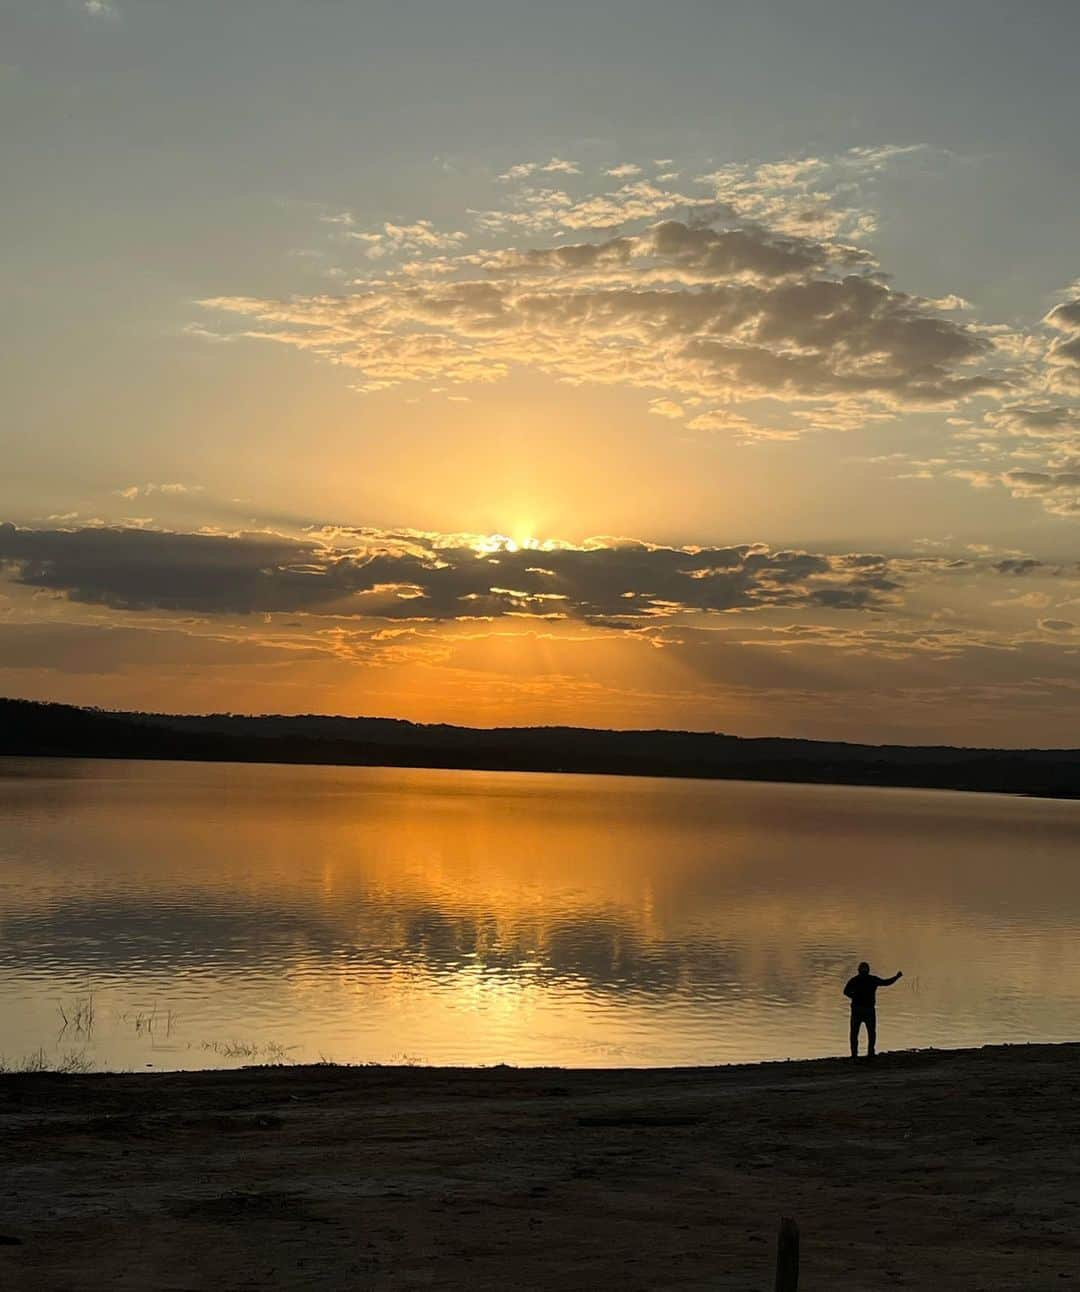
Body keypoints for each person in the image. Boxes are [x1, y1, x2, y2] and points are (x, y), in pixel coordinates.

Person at [843, 961, 902, 1060]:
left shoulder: (856, 980)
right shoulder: (870, 979)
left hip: (860, 1010)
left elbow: (845, 992)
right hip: (866, 1010)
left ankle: (856, 1054)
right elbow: (886, 982)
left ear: (858, 970)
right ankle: (868, 1053)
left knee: (857, 1033)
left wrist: (854, 997)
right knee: (869, 1032)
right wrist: (896, 977)